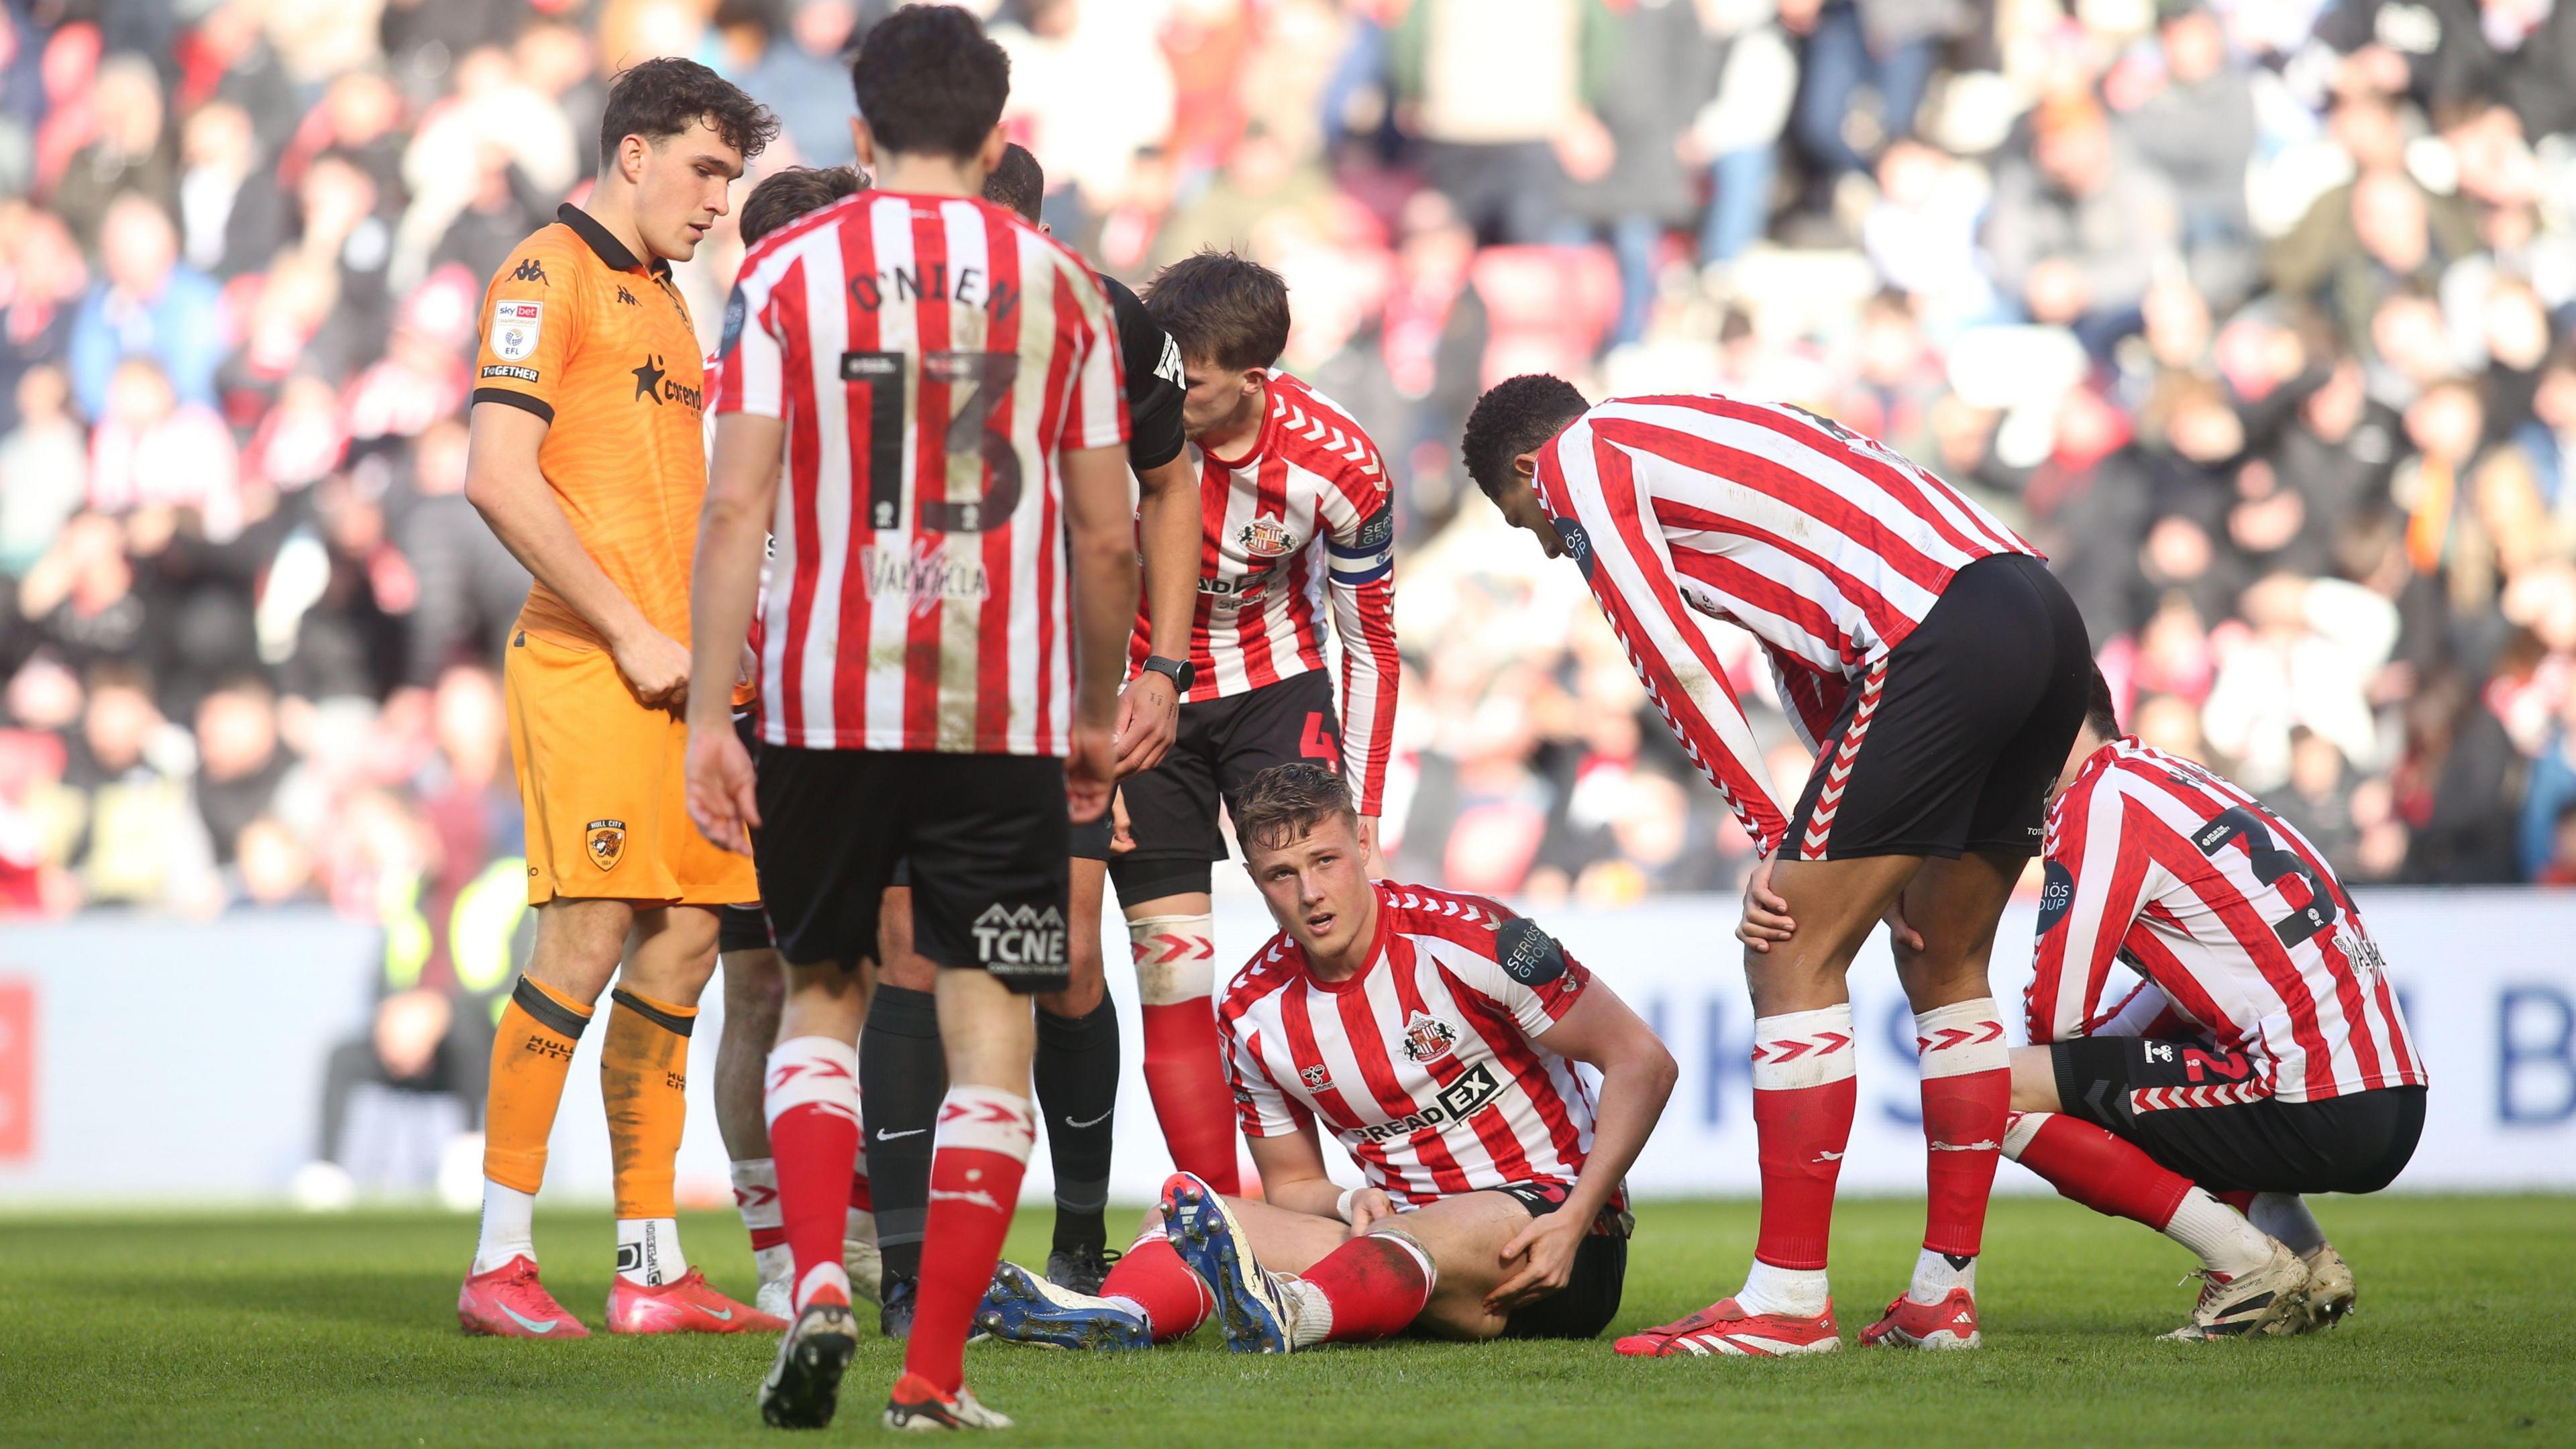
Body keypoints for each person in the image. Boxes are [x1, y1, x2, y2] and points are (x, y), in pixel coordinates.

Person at [684, 7, 1137, 1431]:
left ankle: (819, 1274)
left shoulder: (784, 273)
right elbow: (1109, 535)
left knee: (822, 991)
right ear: (1000, 136)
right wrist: (1095, 703)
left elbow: (735, 504)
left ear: (858, 131)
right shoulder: (1063, 287)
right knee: (988, 1020)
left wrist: (713, 712)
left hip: (821, 702)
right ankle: (932, 1376)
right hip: (996, 715)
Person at [1460, 376, 2092, 1355]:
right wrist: (1832, 848)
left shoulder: (1580, 459)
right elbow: (1813, 664)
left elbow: (1663, 653)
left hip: (1934, 633)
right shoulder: (1706, 426)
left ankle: (1789, 1303)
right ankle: (1942, 1296)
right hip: (2035, 611)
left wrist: (1774, 837)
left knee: (1786, 949)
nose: (1544, 543)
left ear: (1521, 470)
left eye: (1520, 521)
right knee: (1945, 966)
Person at [450, 56, 783, 1342]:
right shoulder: (545, 274)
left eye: (732, 178)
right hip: (595, 660)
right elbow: (495, 474)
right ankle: (498, 1261)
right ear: (633, 153)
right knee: (584, 937)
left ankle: (649, 1262)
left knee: (687, 945)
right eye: (705, 170)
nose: (718, 202)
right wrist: (634, 628)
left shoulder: (667, 297)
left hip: (687, 675)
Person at [969, 763, 1676, 1352]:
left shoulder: (1474, 939)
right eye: (1281, 873)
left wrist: (1581, 1216)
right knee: (1178, 1220)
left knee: (1400, 1233)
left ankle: (1292, 1309)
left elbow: (1643, 1062)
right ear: (1252, 875)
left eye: (1325, 861)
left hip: (1559, 1239)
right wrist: (1345, 1199)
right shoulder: (1252, 1013)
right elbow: (1294, 1185)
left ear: (1363, 843)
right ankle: (1119, 1318)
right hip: (1394, 1240)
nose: (1309, 893)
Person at [859, 139, 1201, 1332]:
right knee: (906, 950)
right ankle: (904, 1275)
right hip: (916, 685)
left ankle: (1079, 1237)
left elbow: (1168, 484)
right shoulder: (876, 301)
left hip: (1055, 694)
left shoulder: (1108, 317)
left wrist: (1156, 665)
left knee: (1060, 957)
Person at [1105, 249, 1402, 1210]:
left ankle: (1372, 1191)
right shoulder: (1104, 431)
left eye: (1185, 384)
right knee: (1171, 970)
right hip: (1137, 700)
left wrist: (1367, 804)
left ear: (1253, 381)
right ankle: (1217, 1219)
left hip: (1276, 690)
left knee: (1333, 935)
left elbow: (1370, 644)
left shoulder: (1342, 464)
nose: (1163, 394)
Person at [2002, 667, 2427, 1338]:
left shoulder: (2099, 800)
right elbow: (2209, 979)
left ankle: (2244, 1266)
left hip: (2319, 1097)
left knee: (1994, 1089)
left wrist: (2067, 1070)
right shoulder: (2170, 778)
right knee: (2108, 1079)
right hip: (2387, 1091)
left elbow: (2054, 1019)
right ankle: (2309, 1260)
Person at [694, 163, 879, 1326]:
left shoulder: (883, 383)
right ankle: (778, 1243)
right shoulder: (714, 391)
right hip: (751, 721)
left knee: (878, 978)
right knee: (758, 987)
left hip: (862, 712)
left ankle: (863, 1228)